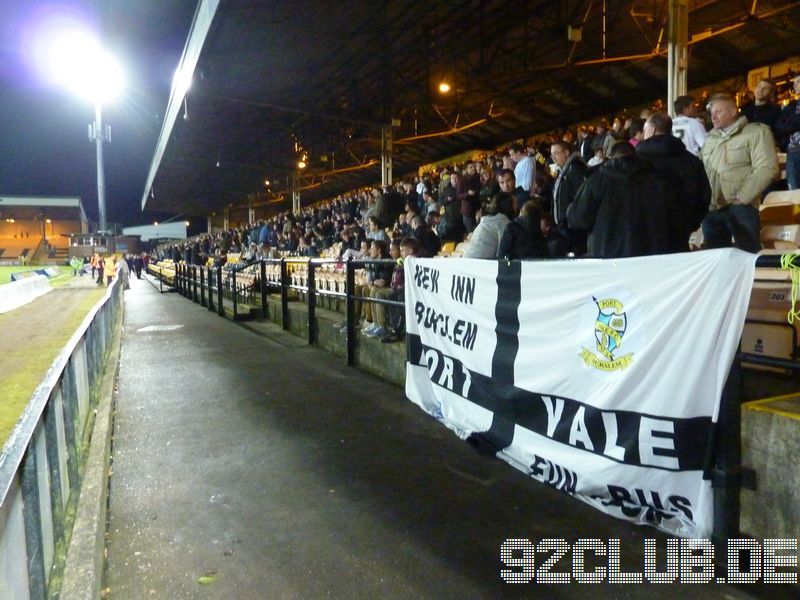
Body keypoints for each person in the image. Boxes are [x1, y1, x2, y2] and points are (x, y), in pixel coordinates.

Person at [567, 142, 679, 258]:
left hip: (608, 257)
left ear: (610, 157)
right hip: (652, 256)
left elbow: (577, 219)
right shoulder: (657, 180)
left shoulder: (597, 181)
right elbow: (674, 216)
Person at [700, 94, 779, 253]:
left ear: (733, 111)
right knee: (716, 260)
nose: (713, 116)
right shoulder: (710, 139)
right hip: (711, 209)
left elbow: (767, 167)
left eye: (718, 111)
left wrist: (743, 197)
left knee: (748, 256)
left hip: (741, 208)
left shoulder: (757, 132)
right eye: (712, 113)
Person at [635, 113, 711, 251]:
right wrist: (690, 224)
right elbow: (704, 196)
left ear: (651, 130)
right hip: (680, 232)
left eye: (645, 130)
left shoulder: (635, 160)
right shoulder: (691, 161)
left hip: (641, 233)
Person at [550, 140, 589, 256]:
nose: (553, 157)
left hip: (573, 228)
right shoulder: (564, 171)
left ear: (566, 152)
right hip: (566, 225)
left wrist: (568, 220)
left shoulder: (574, 170)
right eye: (552, 154)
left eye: (556, 153)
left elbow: (580, 199)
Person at [464, 192, 516, 259]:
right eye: (515, 203)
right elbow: (502, 250)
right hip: (482, 261)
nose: (517, 205)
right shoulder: (503, 222)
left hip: (468, 258)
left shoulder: (486, 219)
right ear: (509, 205)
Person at [777, 74, 800, 190]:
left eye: (798, 82)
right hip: (792, 151)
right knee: (794, 189)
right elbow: (780, 126)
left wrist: (792, 122)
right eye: (794, 82)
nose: (795, 85)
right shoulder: (791, 106)